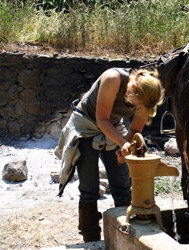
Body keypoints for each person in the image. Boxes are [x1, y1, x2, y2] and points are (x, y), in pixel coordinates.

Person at [54, 67, 164, 242]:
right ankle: (91, 240)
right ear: (133, 86)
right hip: (86, 125)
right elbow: (102, 119)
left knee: (122, 185)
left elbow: (135, 129)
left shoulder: (146, 97)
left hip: (112, 126)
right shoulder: (113, 78)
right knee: (89, 189)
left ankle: (126, 236)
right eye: (136, 104)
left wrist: (124, 151)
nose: (137, 108)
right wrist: (122, 143)